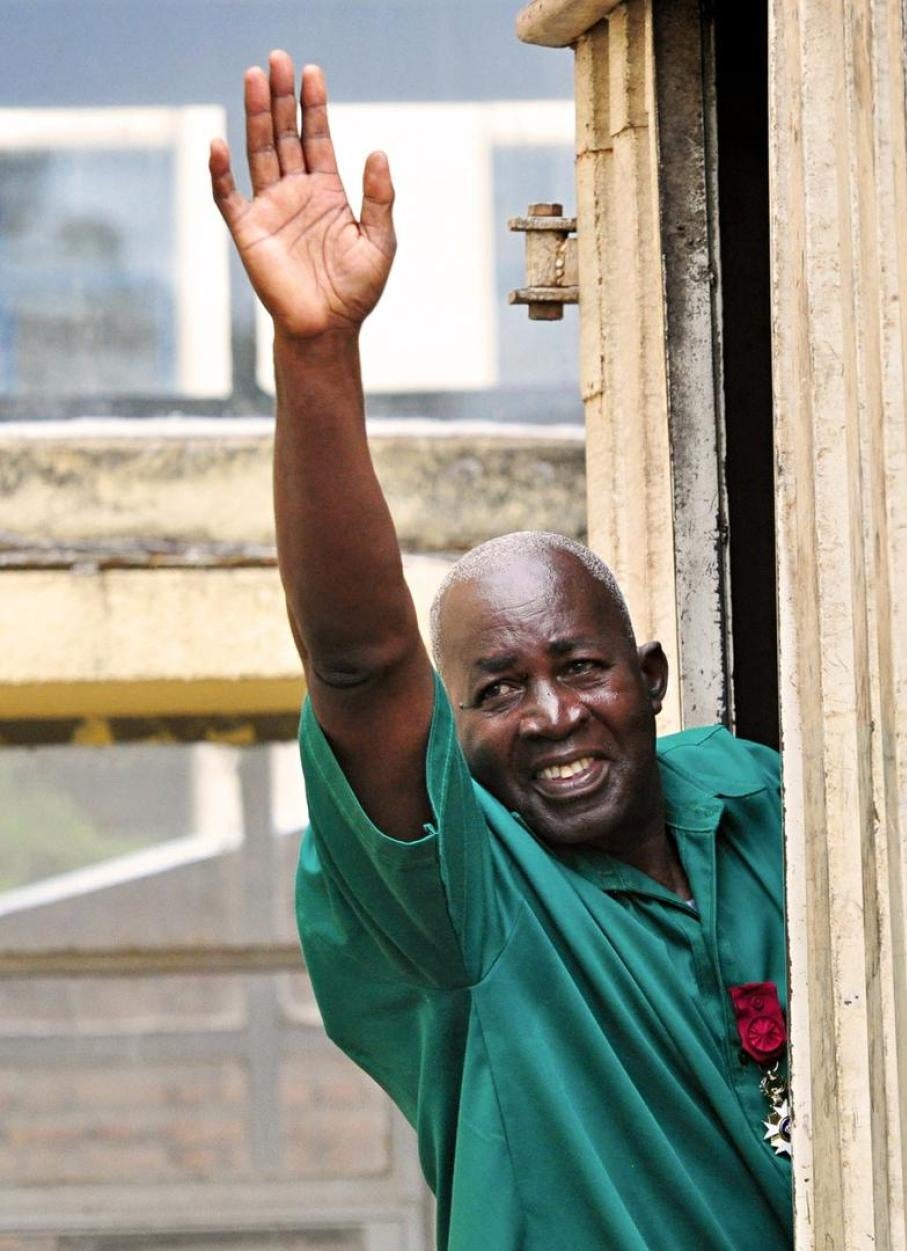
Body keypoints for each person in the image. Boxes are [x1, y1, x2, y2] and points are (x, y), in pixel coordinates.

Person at [210, 50, 792, 1251]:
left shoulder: (765, 812)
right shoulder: (469, 904)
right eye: (495, 691)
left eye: (578, 668)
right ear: (453, 739)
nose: (551, 716)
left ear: (649, 680)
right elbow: (362, 662)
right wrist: (316, 350)